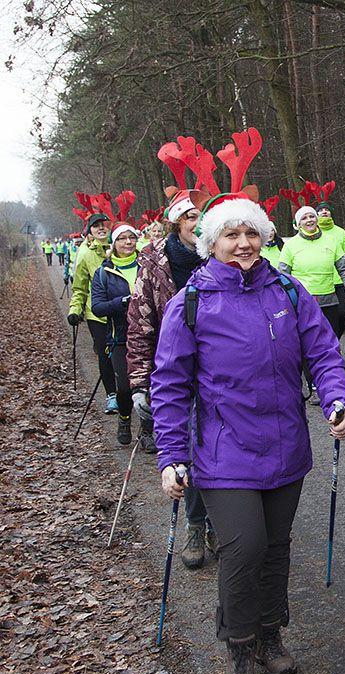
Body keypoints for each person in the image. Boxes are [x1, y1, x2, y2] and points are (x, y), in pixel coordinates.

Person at [152, 192, 345, 674]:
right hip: (223, 451)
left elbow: (323, 352)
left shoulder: (287, 291)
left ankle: (270, 635)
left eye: (251, 233)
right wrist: (172, 455)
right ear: (211, 242)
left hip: (286, 445)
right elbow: (170, 385)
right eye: (230, 234)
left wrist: (336, 398)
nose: (243, 243)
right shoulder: (191, 303)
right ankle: (239, 647)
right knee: (244, 548)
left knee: (277, 547)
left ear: (265, 236)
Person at [129, 187, 214, 568]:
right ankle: (197, 523)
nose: (199, 224)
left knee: (221, 446)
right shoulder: (155, 265)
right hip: (178, 370)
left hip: (220, 369)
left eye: (203, 217)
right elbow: (140, 324)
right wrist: (139, 382)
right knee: (192, 448)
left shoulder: (224, 254)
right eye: (192, 216)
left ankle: (220, 520)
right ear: (178, 222)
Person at [90, 224, 141, 445]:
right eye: (122, 239)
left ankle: (147, 431)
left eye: (132, 238)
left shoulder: (148, 265)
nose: (128, 242)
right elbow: (97, 307)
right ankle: (124, 417)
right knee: (124, 387)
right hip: (119, 337)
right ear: (114, 243)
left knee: (149, 385)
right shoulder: (103, 273)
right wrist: (120, 303)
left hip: (149, 335)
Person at [280, 205, 345, 342]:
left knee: (330, 338)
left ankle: (331, 362)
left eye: (311, 216)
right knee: (308, 340)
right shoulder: (290, 245)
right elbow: (283, 275)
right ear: (299, 224)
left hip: (329, 300)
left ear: (316, 219)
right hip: (303, 301)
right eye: (304, 218)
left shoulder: (331, 241)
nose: (309, 220)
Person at [68, 213, 119, 414]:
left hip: (122, 311)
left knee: (127, 353)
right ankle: (112, 396)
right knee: (105, 354)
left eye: (103, 225)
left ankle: (131, 390)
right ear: (90, 231)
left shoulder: (120, 246)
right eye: (95, 226)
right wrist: (75, 310)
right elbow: (79, 287)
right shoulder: (85, 254)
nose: (100, 228)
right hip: (97, 314)